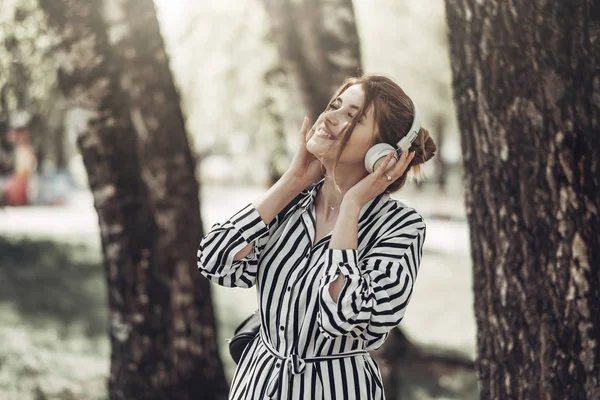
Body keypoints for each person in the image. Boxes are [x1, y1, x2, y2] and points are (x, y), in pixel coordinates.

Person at [197, 74, 436, 399]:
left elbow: (344, 316)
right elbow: (215, 260)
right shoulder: (290, 203)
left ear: (382, 151)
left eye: (352, 115)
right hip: (257, 385)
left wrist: (351, 207)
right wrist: (292, 180)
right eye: (334, 105)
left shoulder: (401, 226)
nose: (329, 117)